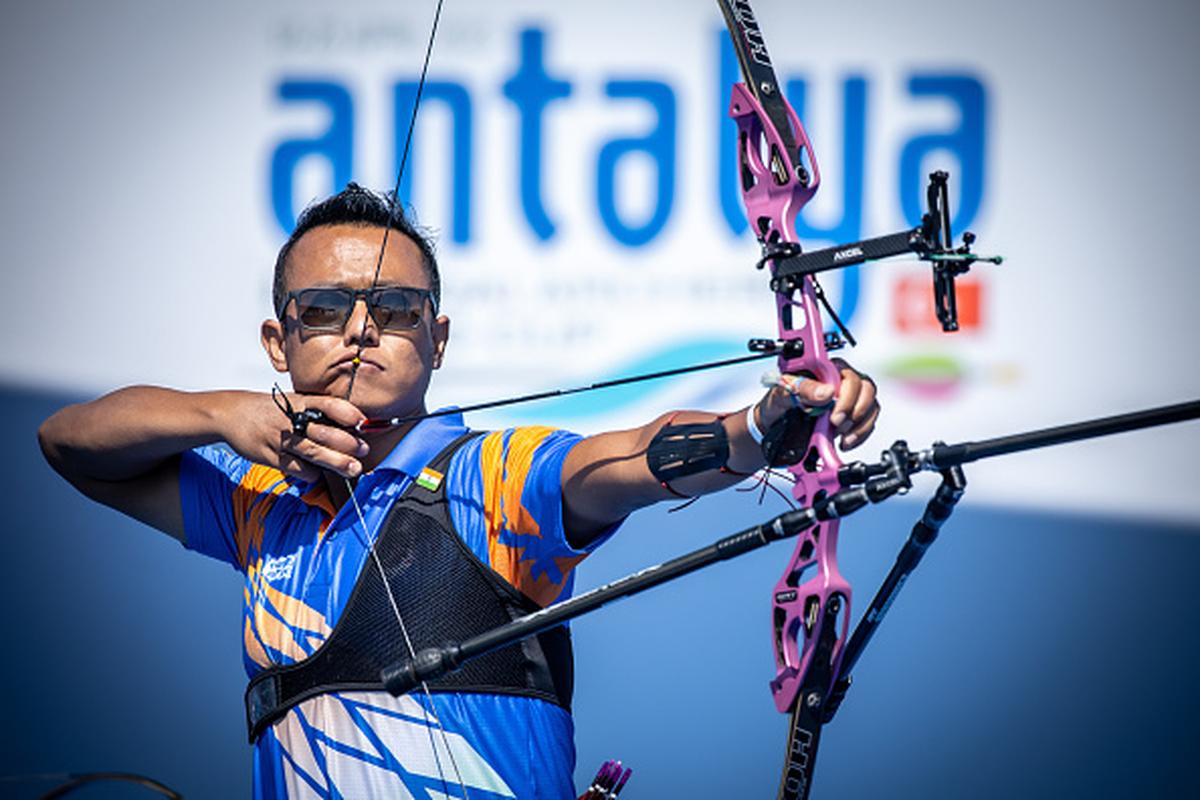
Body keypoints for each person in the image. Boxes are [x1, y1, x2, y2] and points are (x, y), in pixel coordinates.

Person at [38, 183, 879, 799]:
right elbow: (70, 443)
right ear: (278, 338)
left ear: (437, 339)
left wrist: (766, 422)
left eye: (396, 310)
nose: (362, 329)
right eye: (326, 309)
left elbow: (631, 459)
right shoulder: (259, 502)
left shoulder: (496, 476)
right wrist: (226, 415)